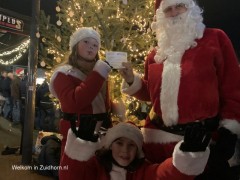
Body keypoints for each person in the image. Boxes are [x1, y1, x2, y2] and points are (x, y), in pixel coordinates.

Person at [119, 0, 240, 179]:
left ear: (190, 8)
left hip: (201, 143)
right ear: (161, 15)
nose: (174, 12)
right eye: (168, 9)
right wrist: (131, 80)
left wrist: (229, 131)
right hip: (157, 145)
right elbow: (153, 95)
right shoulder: (155, 54)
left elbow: (233, 88)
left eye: (179, 6)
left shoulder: (215, 39)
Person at [59, 121, 211, 180]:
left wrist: (188, 156)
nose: (125, 150)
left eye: (132, 145)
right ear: (110, 145)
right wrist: (79, 149)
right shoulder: (95, 166)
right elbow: (70, 176)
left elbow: (165, 174)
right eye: (119, 143)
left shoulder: (142, 171)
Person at [49, 27, 112, 156]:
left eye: (95, 45)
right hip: (77, 134)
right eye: (86, 42)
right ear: (75, 46)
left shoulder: (100, 72)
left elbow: (99, 103)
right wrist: (99, 72)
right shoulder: (63, 73)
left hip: (101, 133)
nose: (91, 47)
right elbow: (74, 103)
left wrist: (114, 107)